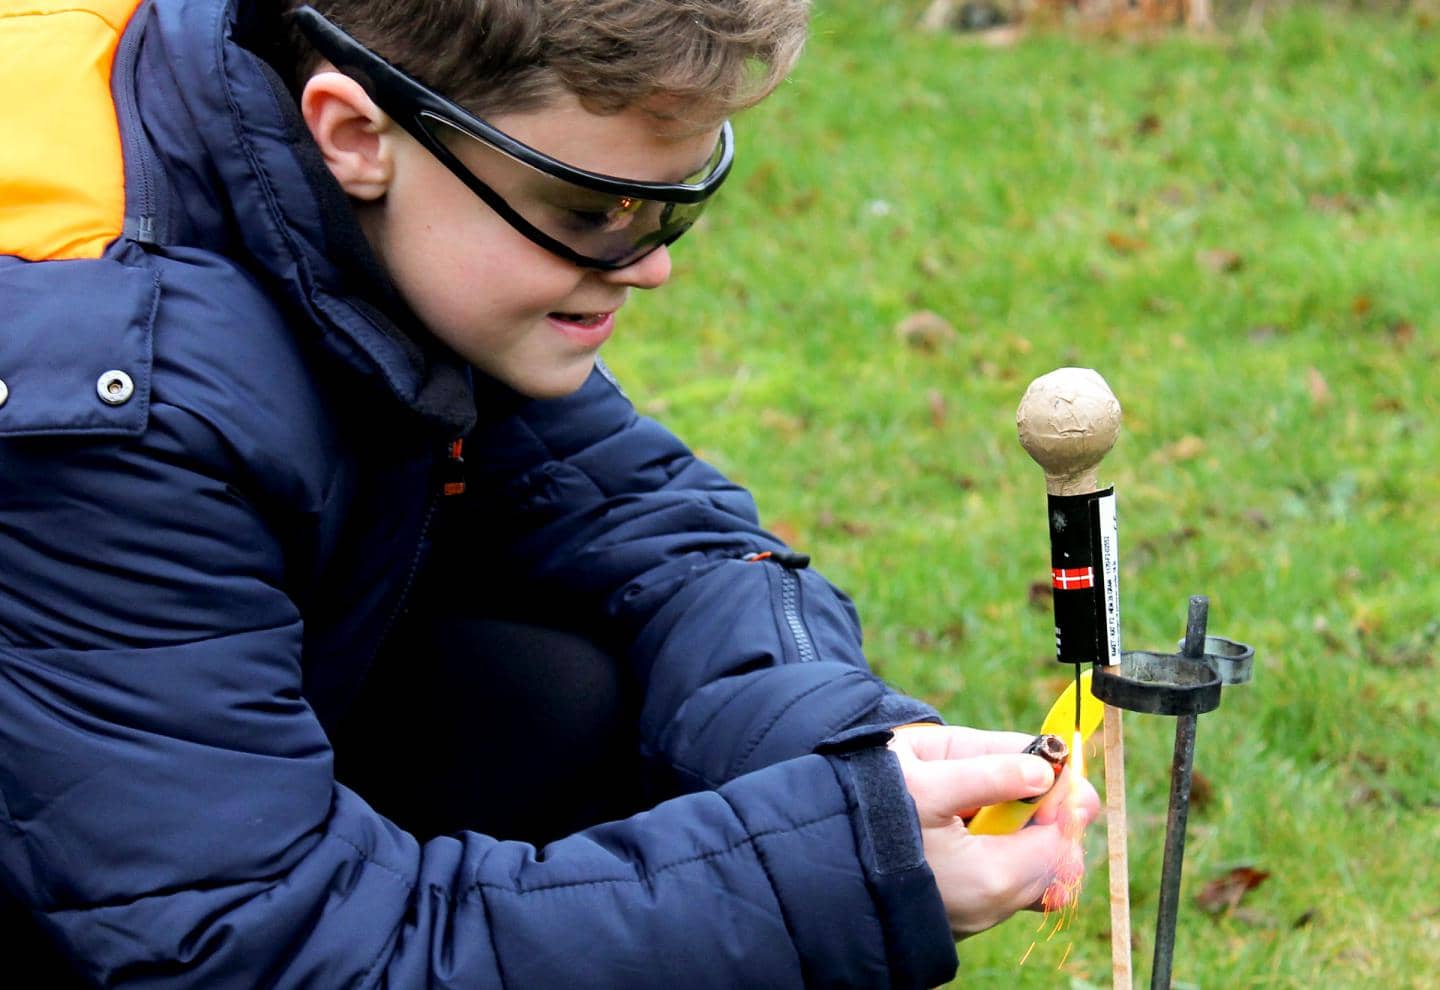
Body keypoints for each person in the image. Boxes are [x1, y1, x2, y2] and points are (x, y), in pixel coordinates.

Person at [0, 0, 1099, 985]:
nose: (648, 263)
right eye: (591, 209)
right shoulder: (110, 388)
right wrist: (830, 868)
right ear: (353, 133)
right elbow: (247, 945)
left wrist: (844, 743)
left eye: (678, 202)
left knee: (564, 685)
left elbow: (644, 531)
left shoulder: (331, 171)